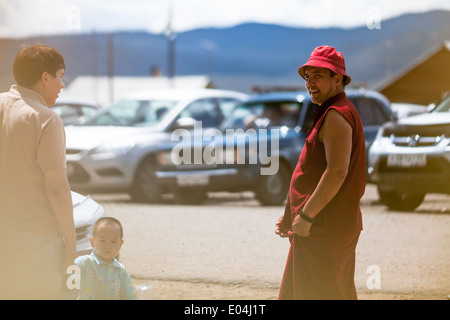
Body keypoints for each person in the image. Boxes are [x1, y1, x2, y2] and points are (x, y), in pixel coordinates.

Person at [275, 45, 366, 300]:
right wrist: (289, 211)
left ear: (338, 79)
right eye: (307, 76)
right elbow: (311, 168)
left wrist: (306, 216)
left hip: (324, 226)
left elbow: (337, 172)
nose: (310, 83)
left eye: (318, 76)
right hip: (320, 224)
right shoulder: (330, 110)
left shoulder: (337, 114)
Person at [0, 44, 76, 299]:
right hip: (34, 239)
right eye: (60, 76)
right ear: (45, 77)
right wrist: (71, 243)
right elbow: (57, 189)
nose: (61, 85)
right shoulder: (46, 119)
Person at [74, 217, 134, 300]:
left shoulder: (121, 271)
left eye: (113, 241)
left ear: (120, 243)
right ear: (92, 242)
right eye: (103, 241)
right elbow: (68, 287)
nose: (108, 246)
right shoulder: (83, 264)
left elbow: (128, 296)